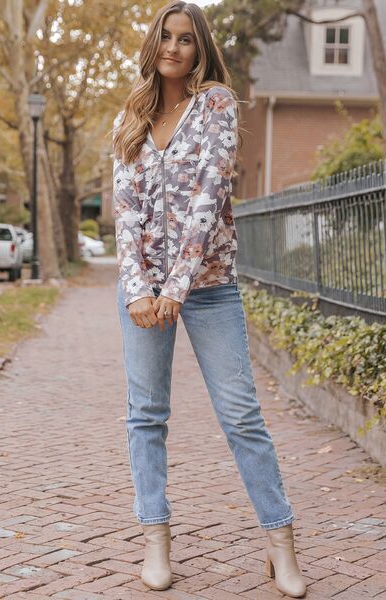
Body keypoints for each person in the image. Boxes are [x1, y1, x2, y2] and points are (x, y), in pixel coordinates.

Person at [112, 2, 306, 597]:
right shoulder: (130, 116)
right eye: (165, 37)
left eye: (186, 39)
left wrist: (177, 285)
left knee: (242, 416)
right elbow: (125, 211)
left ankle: (280, 544)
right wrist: (139, 289)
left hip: (210, 288)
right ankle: (156, 541)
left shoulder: (217, 103)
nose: (173, 48)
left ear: (200, 49)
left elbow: (209, 194)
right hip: (144, 296)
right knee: (146, 415)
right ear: (153, 44)